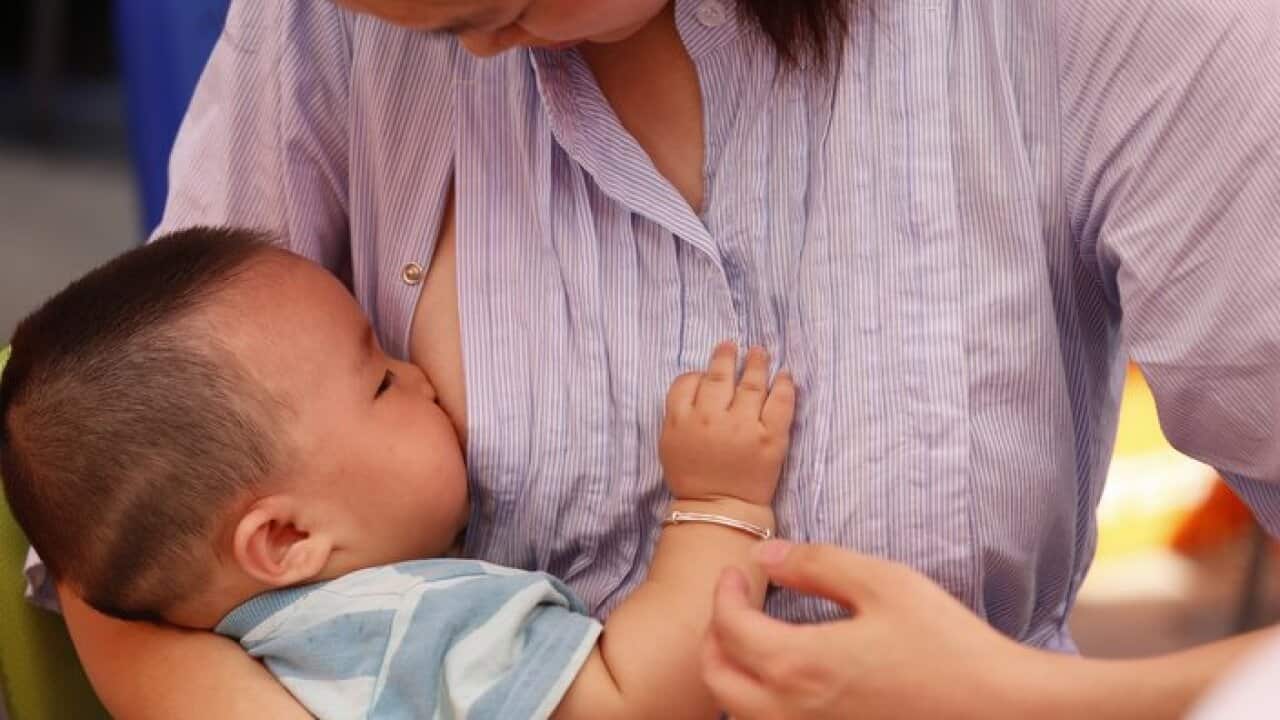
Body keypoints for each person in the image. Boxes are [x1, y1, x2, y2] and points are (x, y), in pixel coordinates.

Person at [26, 0, 1280, 716]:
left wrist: (1013, 704)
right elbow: (126, 519)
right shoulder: (327, 32)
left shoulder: (1109, 30)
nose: (462, 50)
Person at [3, 227, 793, 719]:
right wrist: (718, 502)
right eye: (380, 380)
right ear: (285, 537)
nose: (417, 374)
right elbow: (640, 700)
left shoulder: (254, 651)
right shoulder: (409, 632)